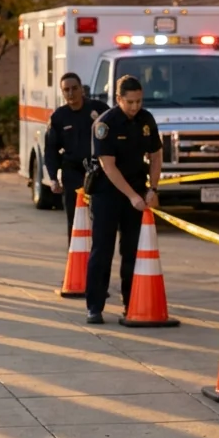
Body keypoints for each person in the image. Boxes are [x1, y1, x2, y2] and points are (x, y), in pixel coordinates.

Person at [84, 75, 163, 324]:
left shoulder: (146, 119)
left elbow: (156, 155)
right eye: (130, 102)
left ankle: (131, 304)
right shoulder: (105, 124)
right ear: (118, 99)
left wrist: (153, 188)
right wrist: (132, 196)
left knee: (132, 251)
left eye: (139, 101)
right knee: (102, 250)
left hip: (137, 189)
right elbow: (108, 166)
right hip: (107, 193)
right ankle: (95, 306)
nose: (135, 106)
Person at [45, 72, 111, 241]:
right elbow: (51, 149)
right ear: (62, 92)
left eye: (74, 88)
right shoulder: (59, 117)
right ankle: (75, 252)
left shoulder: (99, 110)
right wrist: (53, 178)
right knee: (75, 218)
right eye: (66, 90)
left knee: (101, 217)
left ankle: (97, 252)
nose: (71, 93)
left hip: (98, 171)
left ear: (82, 89)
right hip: (72, 172)